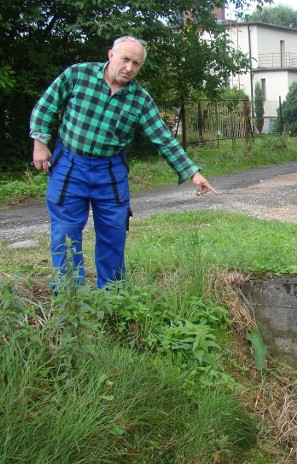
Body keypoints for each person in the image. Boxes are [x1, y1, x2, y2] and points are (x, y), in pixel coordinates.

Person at [30, 35, 216, 288]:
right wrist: (40, 142)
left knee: (113, 234)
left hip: (110, 171)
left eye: (136, 63)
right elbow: (46, 106)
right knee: (65, 234)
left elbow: (163, 138)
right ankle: (68, 298)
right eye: (125, 59)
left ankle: (112, 297)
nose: (129, 68)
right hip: (70, 166)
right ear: (110, 56)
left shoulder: (140, 100)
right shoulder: (77, 75)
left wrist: (193, 173)